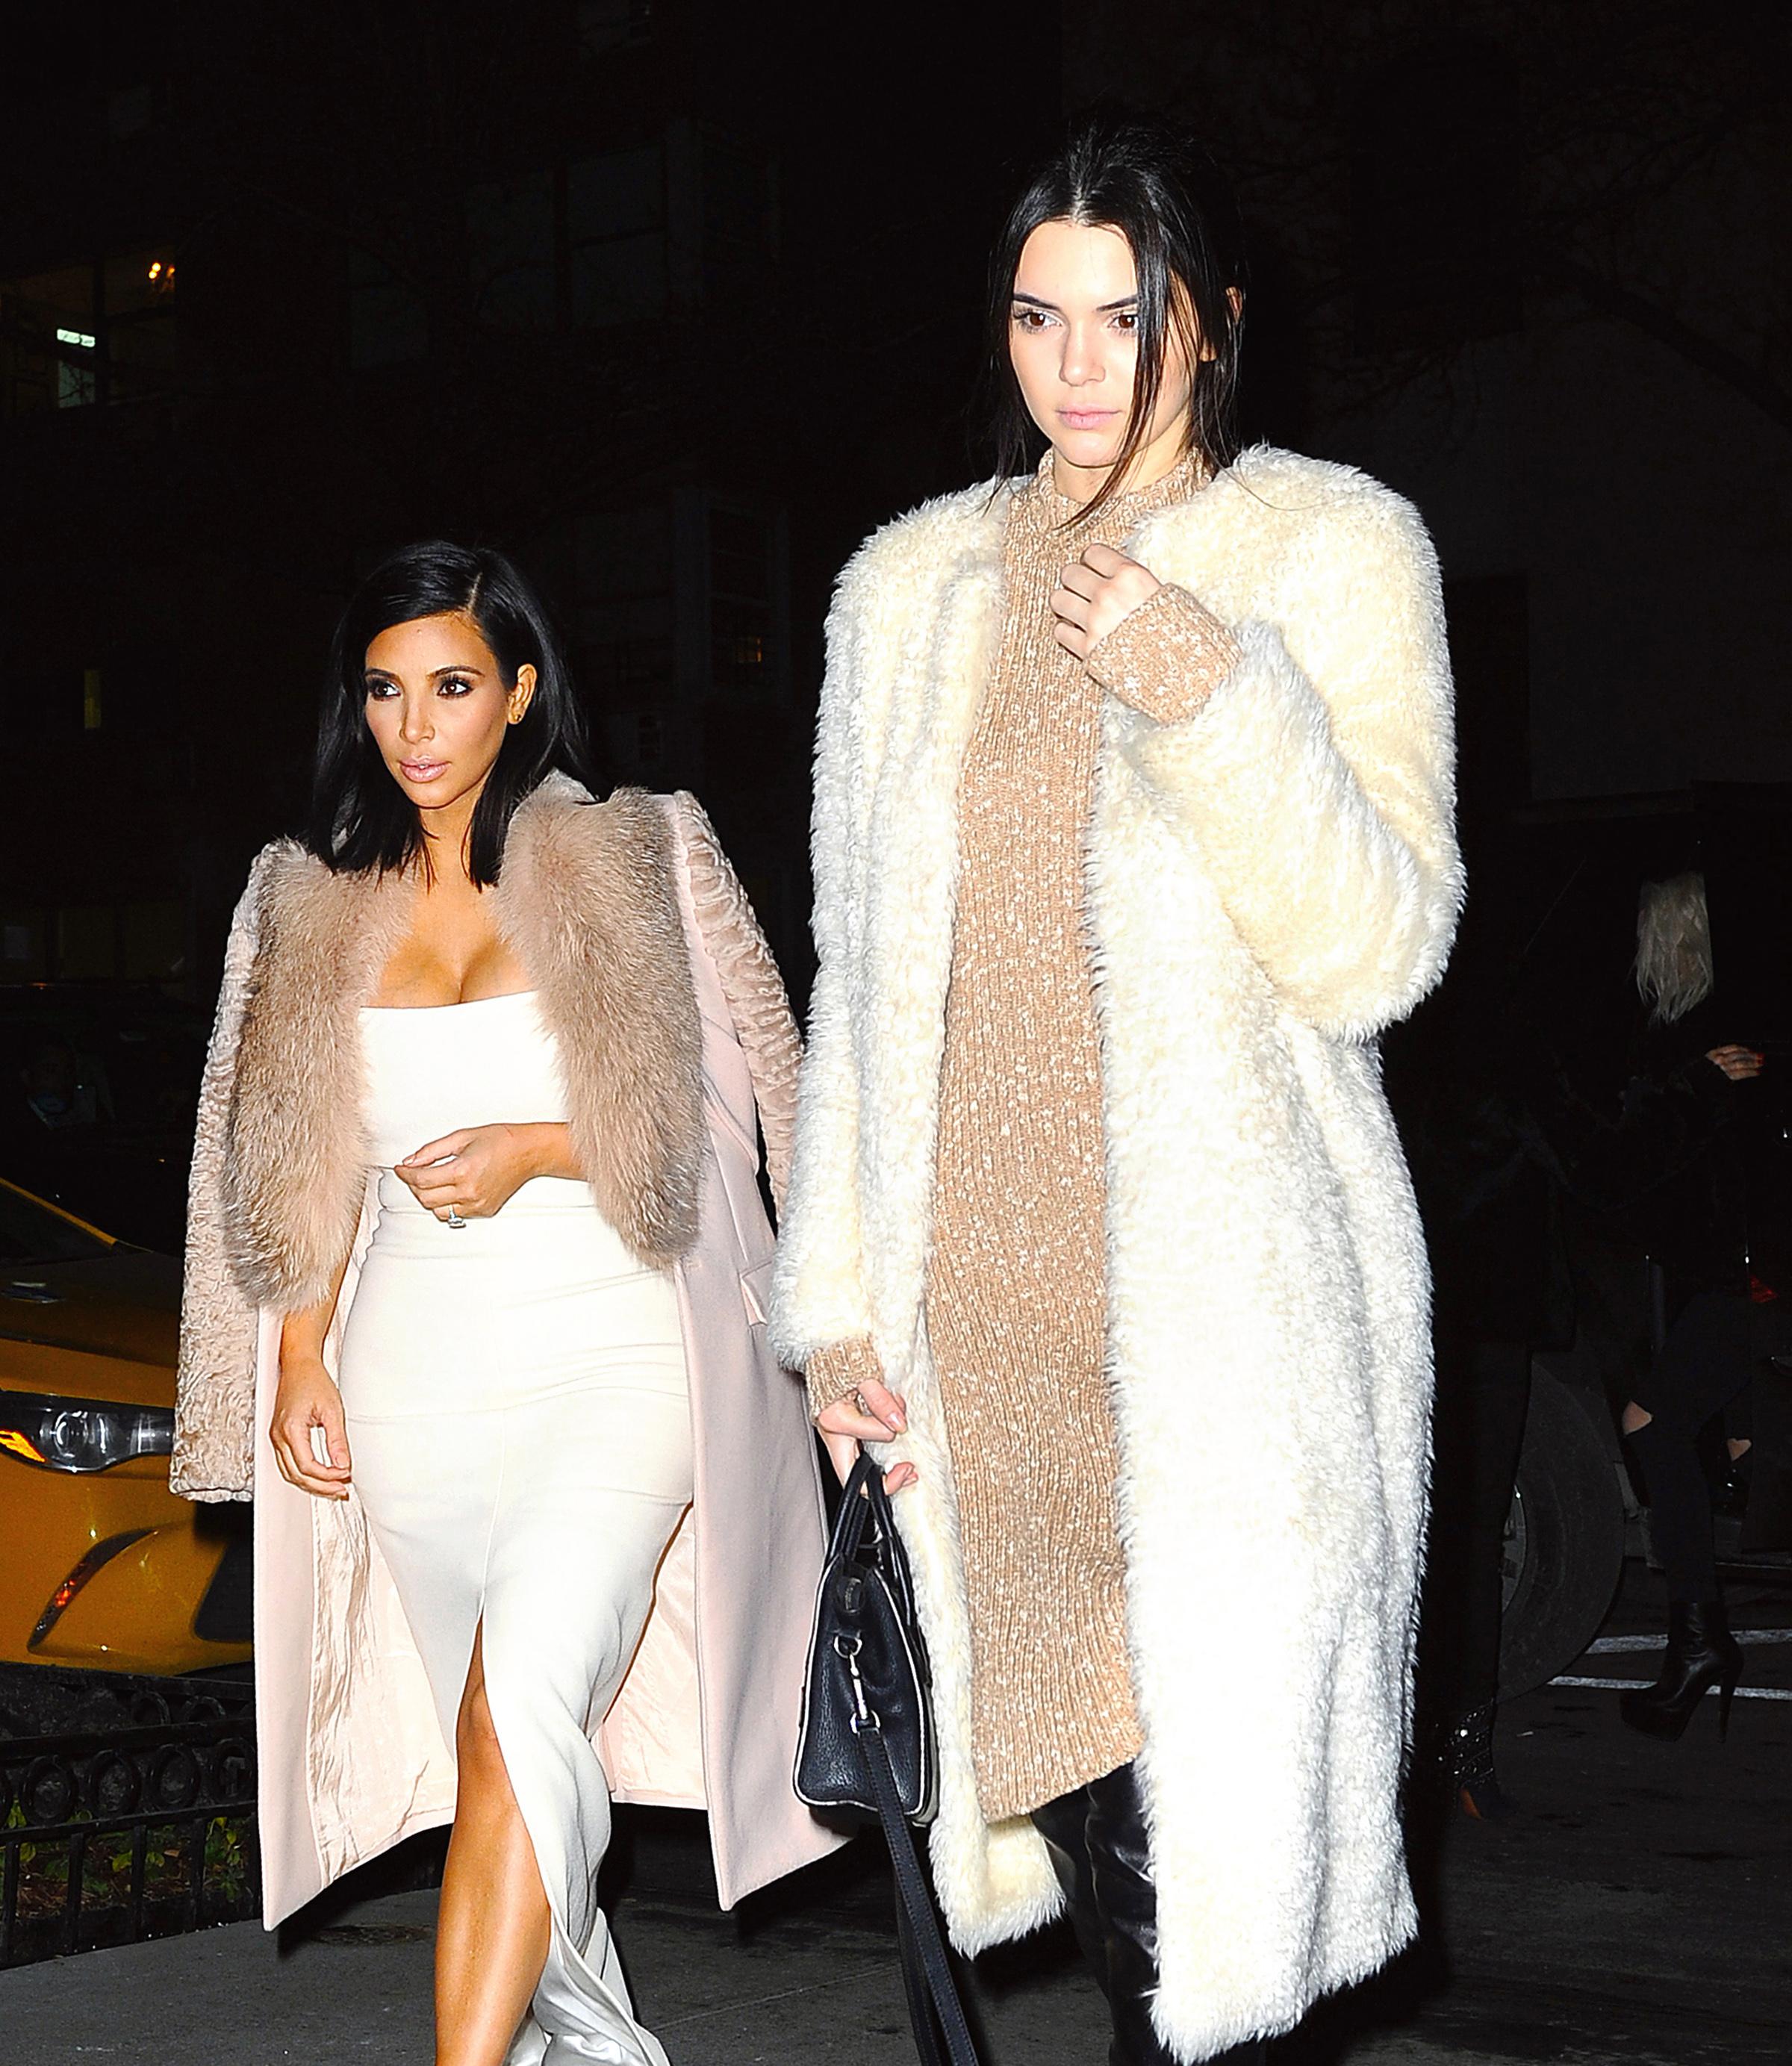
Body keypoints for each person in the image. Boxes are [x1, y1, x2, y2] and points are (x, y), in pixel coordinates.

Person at [772, 117, 1461, 2065]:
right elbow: (865, 981)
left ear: (1215, 324)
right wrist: (833, 1309)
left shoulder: (1329, 551)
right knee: (1100, 1868)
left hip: (1218, 1353)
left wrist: (1208, 685)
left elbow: (1377, 945)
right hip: (978, 1361)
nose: (1080, 365)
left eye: (1129, 316)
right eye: (1038, 316)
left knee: (1203, 1935)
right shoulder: (905, 591)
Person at [172, 541, 839, 2066]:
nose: (418, 727)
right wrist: (294, 1355)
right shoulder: (308, 903)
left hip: (621, 1351)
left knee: (517, 1704)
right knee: (515, 1764)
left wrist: (548, 1148)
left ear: (522, 689)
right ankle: (592, 2048)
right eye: (389, 692)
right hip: (413, 1380)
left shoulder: (642, 852)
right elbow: (292, 1150)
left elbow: (765, 1097)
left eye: (455, 687)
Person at [1611, 873, 1765, 1738]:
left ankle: (1702, 1639)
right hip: (1738, 1275)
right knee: (1694, 1433)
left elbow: (1655, 1167)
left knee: (1653, 1426)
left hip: (1741, 1279)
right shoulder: (1713, 1035)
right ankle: (1702, 1637)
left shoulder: (1690, 1042)